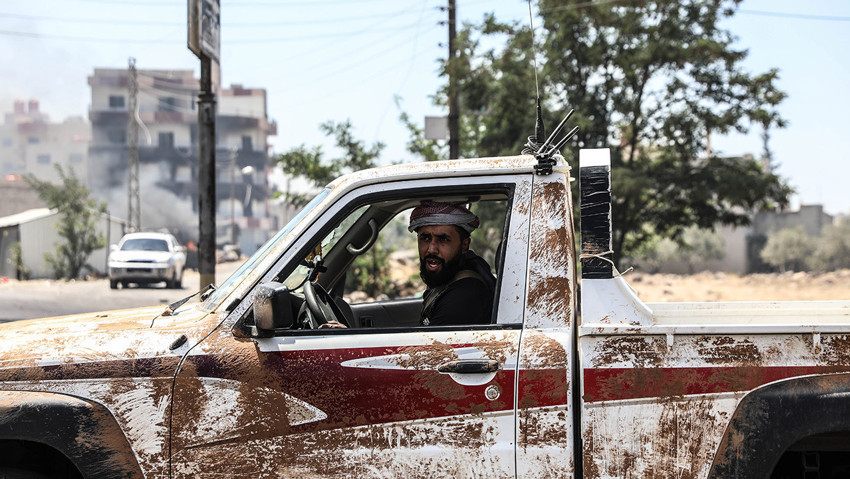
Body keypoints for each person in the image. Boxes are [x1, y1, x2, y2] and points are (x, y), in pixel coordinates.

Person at [319, 201, 495, 328]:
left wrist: (351, 340)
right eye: (425, 238)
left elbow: (423, 359)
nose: (431, 249)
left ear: (464, 245)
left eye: (443, 239)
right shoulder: (448, 280)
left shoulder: (464, 296)